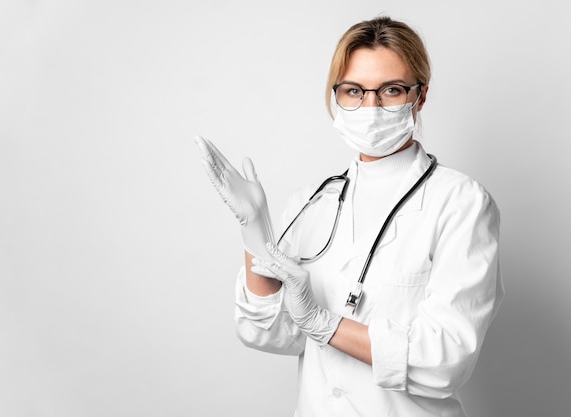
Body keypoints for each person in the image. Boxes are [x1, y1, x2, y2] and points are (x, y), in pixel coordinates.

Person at [195, 16, 503, 417]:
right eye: (354, 90)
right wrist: (253, 228)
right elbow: (266, 332)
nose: (370, 107)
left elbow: (444, 361)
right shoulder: (312, 205)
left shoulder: (461, 203)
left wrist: (325, 324)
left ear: (420, 96)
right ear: (336, 96)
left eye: (391, 90)